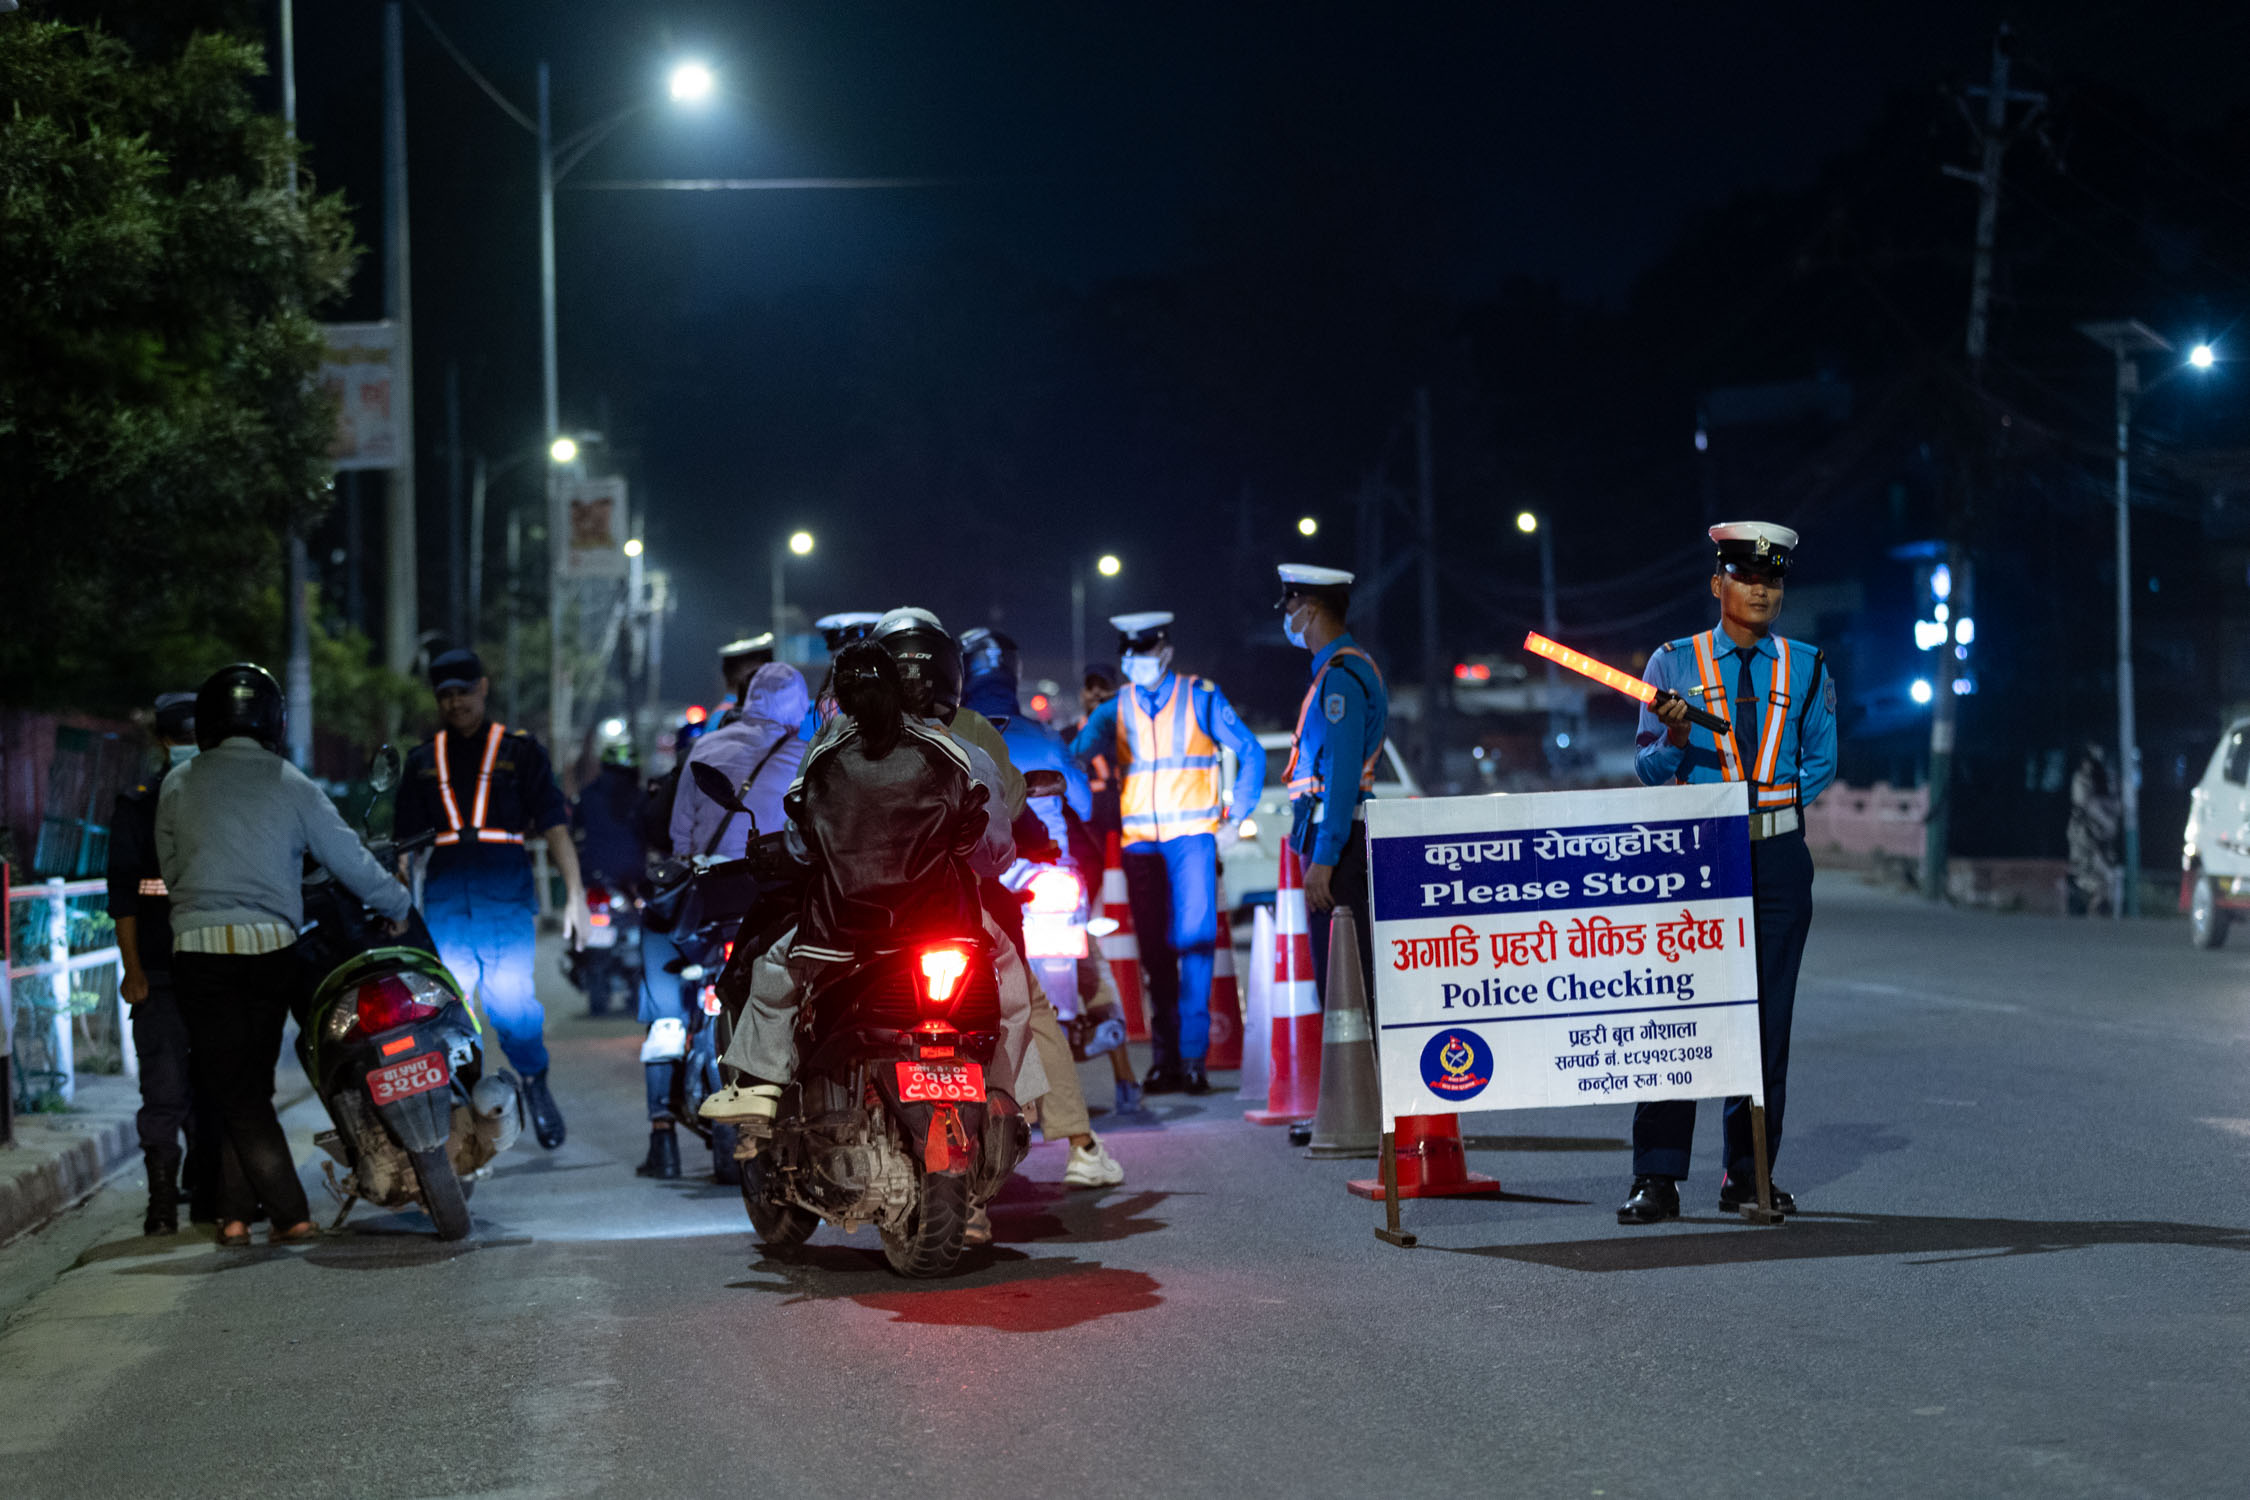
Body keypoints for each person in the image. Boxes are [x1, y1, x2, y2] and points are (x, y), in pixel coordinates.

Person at [701, 641, 1044, 1133]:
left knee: (773, 969)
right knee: (1009, 978)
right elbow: (987, 846)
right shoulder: (955, 755)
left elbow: (802, 843)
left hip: (839, 931)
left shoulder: (823, 756)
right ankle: (1009, 1095)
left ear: (838, 698)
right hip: (943, 924)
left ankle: (760, 1086)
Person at [1619, 521, 1837, 1225]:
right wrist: (1678, 739)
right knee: (1679, 1009)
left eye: (1772, 580)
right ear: (1718, 583)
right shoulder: (1672, 662)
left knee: (1767, 1020)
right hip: (1695, 858)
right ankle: (1657, 1176)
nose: (1761, 591)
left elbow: (1821, 761)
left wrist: (1769, 806)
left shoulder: (1808, 665)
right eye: (1746, 578)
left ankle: (1748, 1174)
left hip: (1777, 857)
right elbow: (1647, 769)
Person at [156, 663, 414, 1248]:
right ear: (274, 720)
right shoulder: (291, 783)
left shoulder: (178, 784)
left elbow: (172, 872)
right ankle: (274, 1214)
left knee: (236, 1087)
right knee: (247, 1084)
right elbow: (348, 858)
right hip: (270, 951)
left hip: (199, 952)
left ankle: (247, 1216)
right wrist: (397, 902)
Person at [394, 649, 585, 1149]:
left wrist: (576, 895)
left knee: (512, 1005)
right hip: (446, 902)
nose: (455, 703)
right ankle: (468, 1114)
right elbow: (405, 848)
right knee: (451, 1012)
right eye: (445, 695)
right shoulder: (422, 760)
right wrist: (398, 906)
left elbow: (554, 824)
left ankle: (534, 1081)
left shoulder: (520, 752)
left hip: (504, 897)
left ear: (483, 688)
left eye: (464, 691)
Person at [1069, 612, 1265, 1094]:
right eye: (1129, 653)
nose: (1136, 661)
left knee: (1194, 945)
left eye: (1145, 651)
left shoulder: (1201, 696)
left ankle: (1193, 1059)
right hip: (1140, 846)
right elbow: (1074, 755)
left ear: (1167, 652)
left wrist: (1235, 819)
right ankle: (1165, 1061)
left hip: (1192, 840)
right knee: (1154, 954)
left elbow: (1251, 752)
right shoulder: (1115, 708)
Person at [961, 627, 1128, 1184]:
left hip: (920, 910)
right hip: (998, 895)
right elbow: (1055, 807)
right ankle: (1080, 1144)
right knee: (1033, 1009)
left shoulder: (876, 740)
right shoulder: (991, 734)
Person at [632, 662, 809, 1179]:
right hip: (772, 905)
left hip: (706, 901)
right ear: (799, 709)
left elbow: (680, 841)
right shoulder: (807, 757)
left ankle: (662, 1137)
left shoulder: (705, 748)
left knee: (665, 1011)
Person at [108, 691, 218, 1234]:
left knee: (214, 1085)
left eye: (196, 738)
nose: (187, 747)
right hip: (160, 971)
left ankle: (208, 1191)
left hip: (217, 967)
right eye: (180, 738)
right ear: (162, 741)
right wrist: (132, 971)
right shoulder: (138, 804)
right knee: (164, 1090)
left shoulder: (224, 797)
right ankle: (161, 1204)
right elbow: (123, 895)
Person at [1276, 565, 1388, 1005]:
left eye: (1290, 606)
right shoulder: (1333, 671)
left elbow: (1342, 774)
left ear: (1310, 609)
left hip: (1338, 845)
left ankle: (1361, 1056)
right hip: (1332, 836)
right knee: (1341, 979)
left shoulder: (1341, 676)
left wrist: (1324, 859)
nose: (1287, 617)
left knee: (1343, 986)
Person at [2067, 744, 2121, 916]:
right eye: (2091, 760)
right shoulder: (2080, 779)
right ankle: (2085, 909)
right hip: (2084, 834)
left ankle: (2098, 910)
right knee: (2086, 874)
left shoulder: (2102, 779)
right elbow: (2084, 804)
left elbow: (2113, 806)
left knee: (2105, 876)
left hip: (2099, 838)